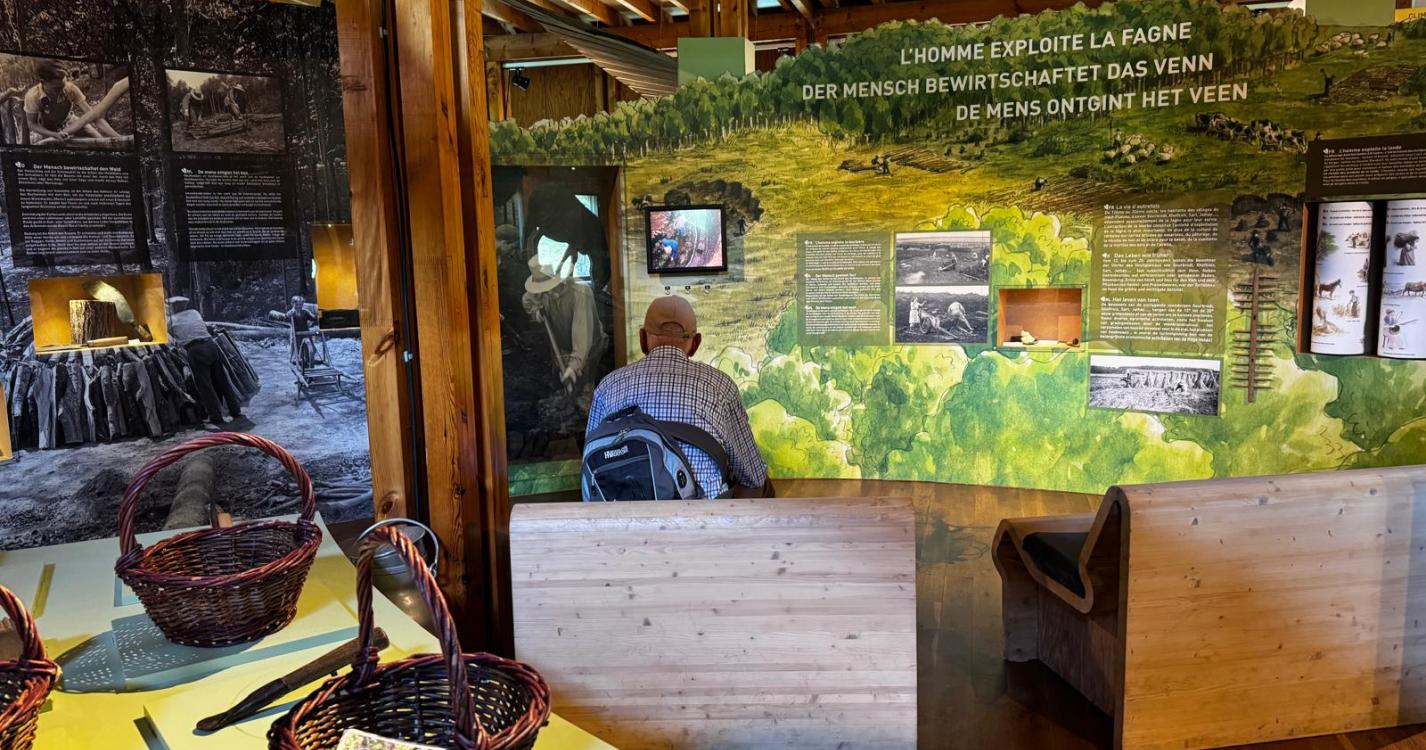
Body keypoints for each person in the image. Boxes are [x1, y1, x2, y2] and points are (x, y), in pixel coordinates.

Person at [587, 296, 769, 498]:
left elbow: (590, 466)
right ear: (696, 343)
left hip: (624, 514)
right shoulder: (721, 386)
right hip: (701, 515)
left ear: (642, 339)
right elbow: (754, 476)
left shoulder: (608, 386)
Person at [523, 256, 606, 393]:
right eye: (543, 288)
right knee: (565, 390)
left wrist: (574, 366)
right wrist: (536, 312)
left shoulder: (580, 292)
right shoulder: (544, 292)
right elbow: (527, 300)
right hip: (563, 349)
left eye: (549, 287)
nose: (547, 291)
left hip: (589, 350)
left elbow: (582, 334)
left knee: (585, 392)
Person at [167, 297, 243, 425]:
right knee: (222, 381)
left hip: (195, 350)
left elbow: (168, 335)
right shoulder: (194, 313)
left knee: (205, 386)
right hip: (211, 345)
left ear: (173, 307)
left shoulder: (171, 321)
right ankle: (235, 410)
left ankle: (215, 416)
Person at [24, 61, 121, 144]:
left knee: (100, 142)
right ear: (43, 82)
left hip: (71, 122)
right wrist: (54, 135)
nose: (62, 91)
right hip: (49, 130)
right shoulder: (33, 96)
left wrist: (117, 137)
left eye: (63, 86)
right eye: (57, 89)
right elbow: (32, 124)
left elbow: (93, 115)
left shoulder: (70, 88)